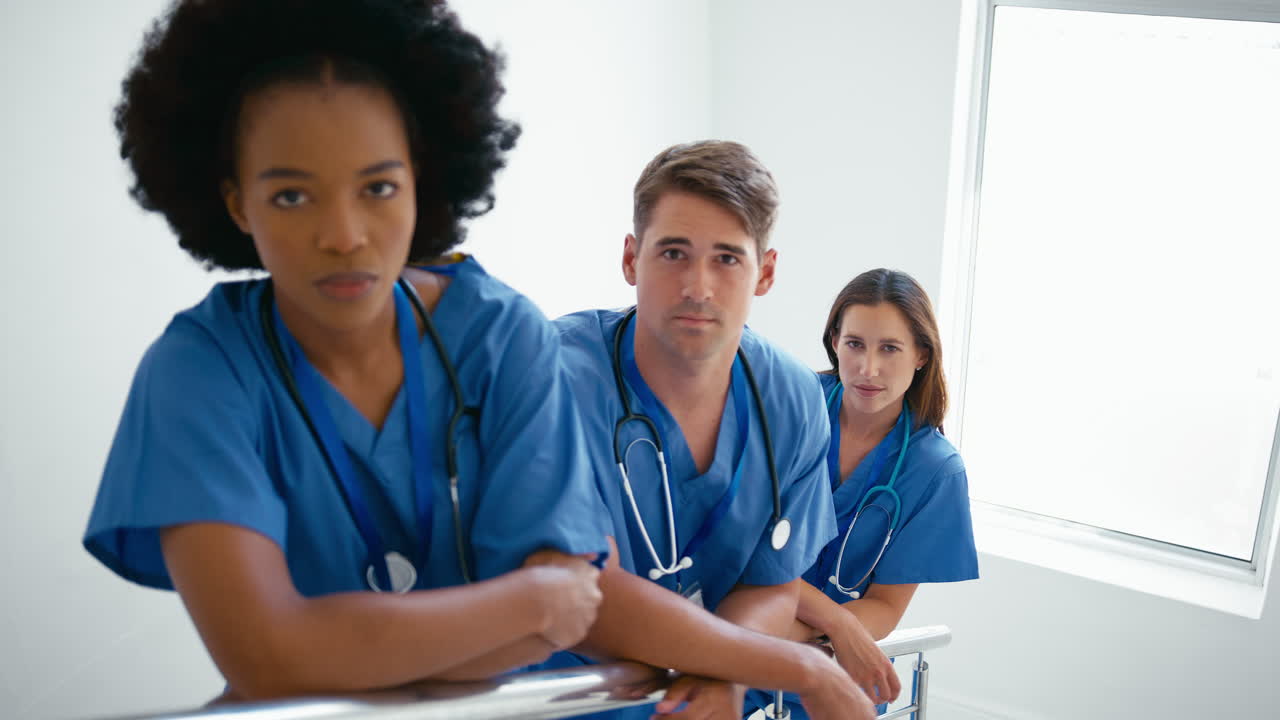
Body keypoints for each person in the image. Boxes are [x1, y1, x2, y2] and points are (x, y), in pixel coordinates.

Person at [82, 0, 608, 700]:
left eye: (379, 187)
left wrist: (320, 648)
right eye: (293, 196)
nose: (344, 234)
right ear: (238, 204)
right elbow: (264, 659)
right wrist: (531, 600)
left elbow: (572, 620)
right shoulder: (199, 369)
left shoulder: (503, 337)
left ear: (423, 180)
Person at [539, 141, 876, 720]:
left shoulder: (792, 399)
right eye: (673, 253)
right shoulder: (553, 378)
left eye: (726, 258)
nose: (698, 286)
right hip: (554, 702)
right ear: (630, 258)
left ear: (765, 271)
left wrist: (725, 675)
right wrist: (780, 665)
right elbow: (587, 596)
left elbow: (772, 582)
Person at [745, 269, 979, 718]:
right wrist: (834, 621)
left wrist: (811, 633)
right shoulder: (789, 407)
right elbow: (743, 556)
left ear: (921, 355)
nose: (868, 369)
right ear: (834, 341)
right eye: (855, 344)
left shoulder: (935, 471)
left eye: (890, 348)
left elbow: (886, 606)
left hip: (832, 658)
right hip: (748, 634)